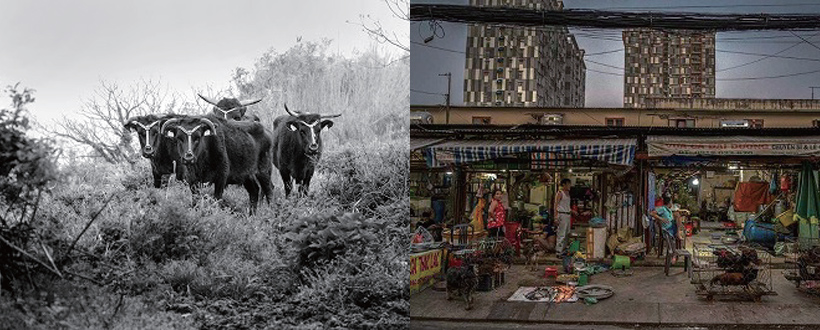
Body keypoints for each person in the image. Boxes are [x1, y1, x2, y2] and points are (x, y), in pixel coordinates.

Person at [651, 195, 677, 264]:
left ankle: (673, 253)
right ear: (669, 202)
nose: (672, 204)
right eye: (671, 202)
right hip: (666, 229)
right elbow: (652, 213)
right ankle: (672, 253)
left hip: (671, 228)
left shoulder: (669, 210)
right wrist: (661, 219)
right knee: (670, 237)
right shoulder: (662, 209)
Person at [554, 178, 576, 258]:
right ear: (564, 184)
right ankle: (558, 251)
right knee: (561, 233)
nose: (569, 186)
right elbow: (556, 205)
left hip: (567, 215)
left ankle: (563, 250)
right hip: (562, 215)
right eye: (568, 184)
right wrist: (556, 217)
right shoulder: (560, 193)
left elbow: (566, 206)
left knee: (567, 233)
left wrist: (572, 211)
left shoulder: (568, 194)